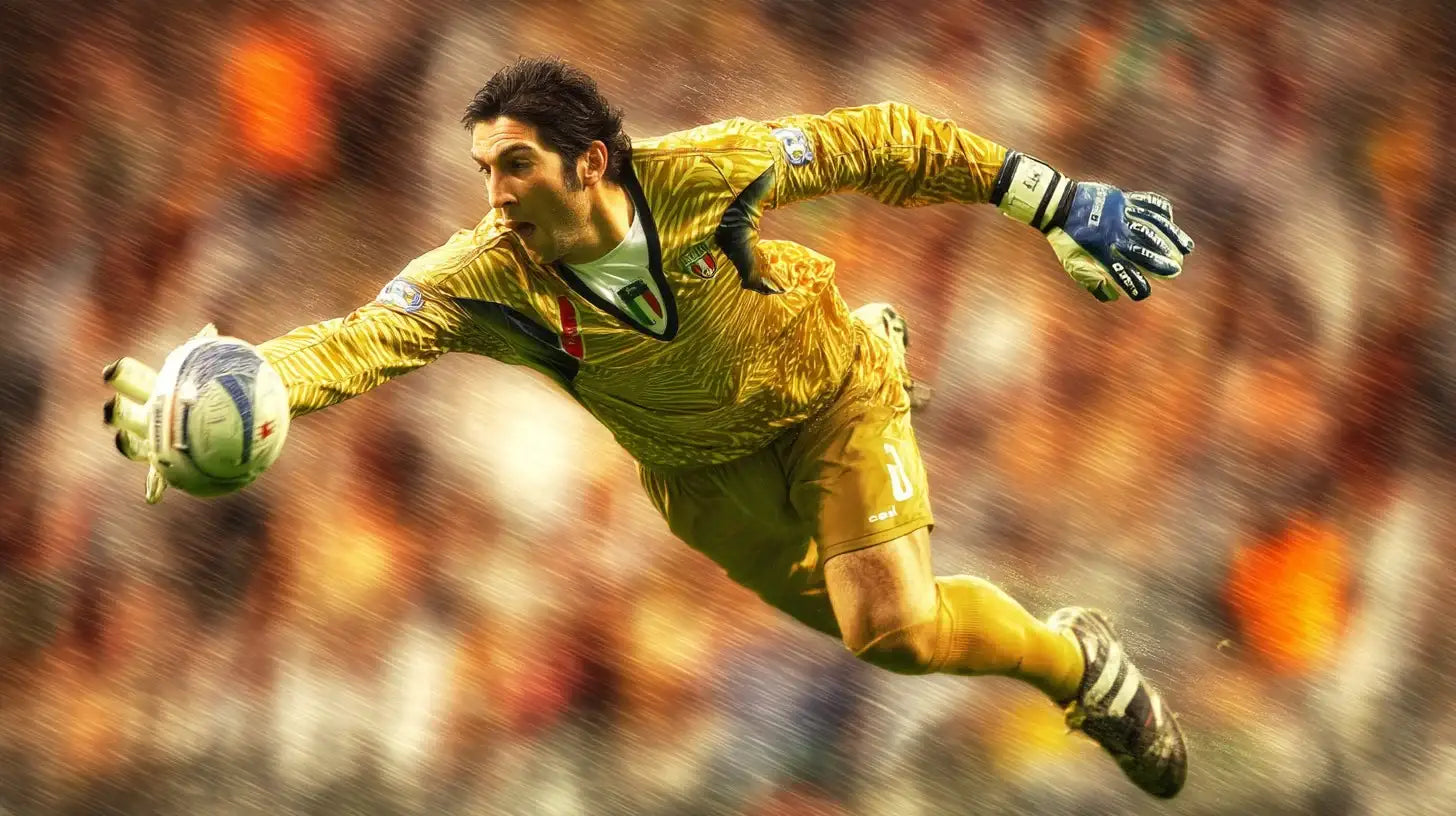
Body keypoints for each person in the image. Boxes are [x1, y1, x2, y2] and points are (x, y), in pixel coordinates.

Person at [103, 57, 1194, 797]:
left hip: (825, 394)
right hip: (697, 477)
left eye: (515, 166)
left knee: (890, 627)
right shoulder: (482, 280)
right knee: (881, 641)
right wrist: (259, 384)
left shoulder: (702, 174)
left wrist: (1047, 198)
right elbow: (354, 341)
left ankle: (1076, 669)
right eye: (483, 170)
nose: (493, 197)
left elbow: (878, 142)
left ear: (590, 164)